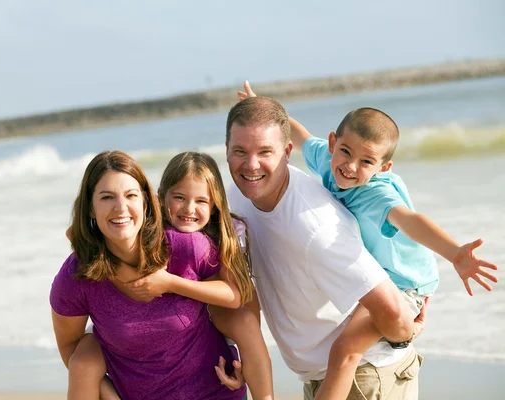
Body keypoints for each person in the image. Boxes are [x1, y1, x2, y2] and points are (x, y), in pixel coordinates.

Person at [237, 82, 499, 399]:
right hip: (376, 281)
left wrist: (454, 252)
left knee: (345, 349)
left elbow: (411, 221)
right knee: (344, 347)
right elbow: (300, 134)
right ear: (333, 143)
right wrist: (263, 111)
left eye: (366, 162)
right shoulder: (326, 160)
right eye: (346, 152)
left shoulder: (374, 193)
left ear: (383, 167)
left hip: (403, 284)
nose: (350, 167)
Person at [224, 95, 422, 400]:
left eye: (265, 151)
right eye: (240, 151)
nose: (251, 165)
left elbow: (395, 314)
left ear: (287, 152)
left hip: (367, 376)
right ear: (226, 151)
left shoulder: (318, 226)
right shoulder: (236, 201)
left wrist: (405, 334)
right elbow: (248, 295)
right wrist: (243, 362)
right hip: (321, 377)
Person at [50, 150, 247, 400]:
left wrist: (248, 367)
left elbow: (237, 297)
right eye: (107, 197)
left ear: (145, 201)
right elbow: (71, 349)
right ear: (90, 207)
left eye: (130, 195)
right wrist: (110, 395)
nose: (121, 208)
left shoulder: (185, 247)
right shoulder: (76, 277)